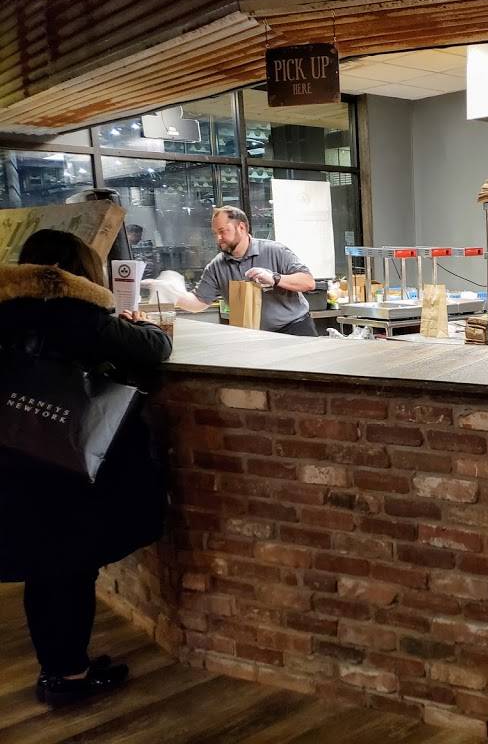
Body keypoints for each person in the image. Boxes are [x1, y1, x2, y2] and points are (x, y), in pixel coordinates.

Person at [0, 229, 172, 707]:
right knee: (69, 569)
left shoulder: (6, 310)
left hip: (13, 462)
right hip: (68, 466)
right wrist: (143, 326)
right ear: (80, 272)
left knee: (42, 569)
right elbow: (154, 349)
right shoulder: (76, 314)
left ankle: (58, 667)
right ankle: (68, 676)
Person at [145, 205, 317, 336]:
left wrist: (275, 278)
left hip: (295, 329)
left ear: (241, 227)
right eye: (215, 233)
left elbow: (308, 282)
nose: (218, 238)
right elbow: (199, 302)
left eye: (222, 231)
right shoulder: (216, 266)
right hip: (254, 335)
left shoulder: (275, 251)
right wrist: (172, 293)